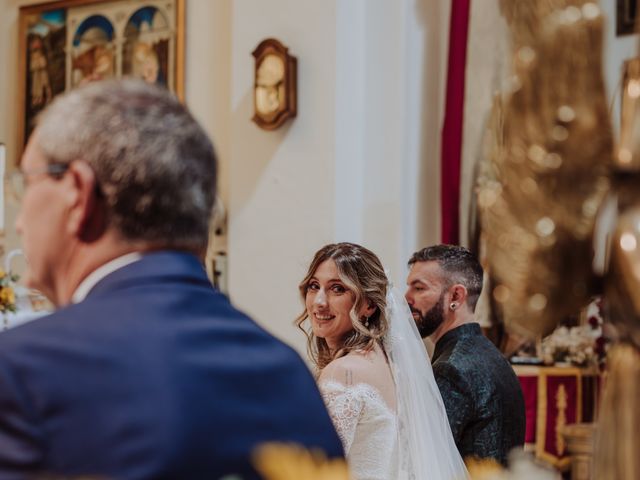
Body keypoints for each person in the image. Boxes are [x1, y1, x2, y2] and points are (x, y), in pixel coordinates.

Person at [0, 79, 343, 479]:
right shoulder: (286, 374)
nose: (20, 221)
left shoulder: (24, 371)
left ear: (77, 193)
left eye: (26, 182)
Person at [296, 242, 468, 480]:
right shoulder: (387, 361)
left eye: (338, 289)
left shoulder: (343, 371)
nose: (319, 302)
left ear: (369, 305)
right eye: (314, 286)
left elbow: (319, 470)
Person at [405, 244, 526, 465]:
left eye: (419, 288)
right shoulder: (490, 354)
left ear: (456, 296)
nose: (407, 298)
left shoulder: (451, 369)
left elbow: (426, 461)